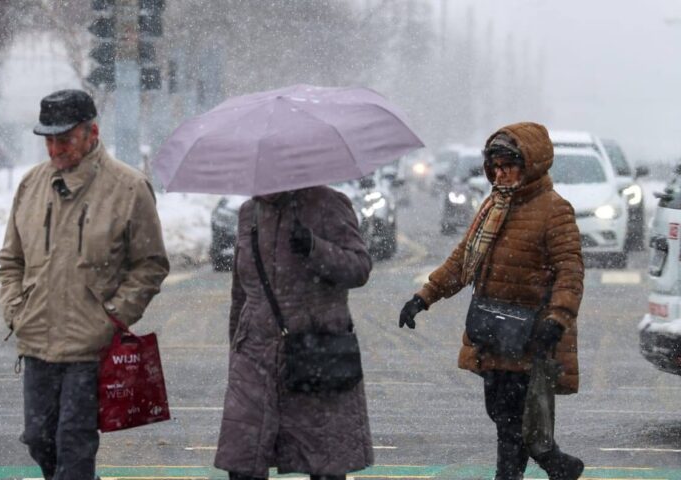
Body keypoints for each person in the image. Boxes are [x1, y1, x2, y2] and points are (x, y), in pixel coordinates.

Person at [0, 89, 169, 480]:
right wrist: (15, 309)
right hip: (37, 340)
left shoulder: (128, 187)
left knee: (75, 448)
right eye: (49, 140)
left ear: (91, 132)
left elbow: (151, 264)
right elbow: (11, 260)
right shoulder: (31, 185)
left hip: (89, 347)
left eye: (65, 139)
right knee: (40, 439)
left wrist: (111, 318)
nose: (55, 149)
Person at [398, 122, 585, 480]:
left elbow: (570, 271)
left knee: (511, 423)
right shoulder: (493, 205)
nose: (500, 174)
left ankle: (512, 475)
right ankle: (557, 464)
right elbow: (462, 261)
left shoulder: (554, 210)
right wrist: (423, 297)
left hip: (530, 334)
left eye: (508, 165)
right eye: (495, 167)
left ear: (530, 164)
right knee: (501, 413)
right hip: (492, 332)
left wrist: (557, 319)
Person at [214, 187, 374, 480]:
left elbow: (359, 268)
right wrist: (236, 343)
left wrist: (315, 247)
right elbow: (241, 291)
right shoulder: (249, 213)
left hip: (315, 351)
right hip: (254, 353)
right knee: (243, 463)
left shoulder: (328, 204)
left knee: (324, 463)